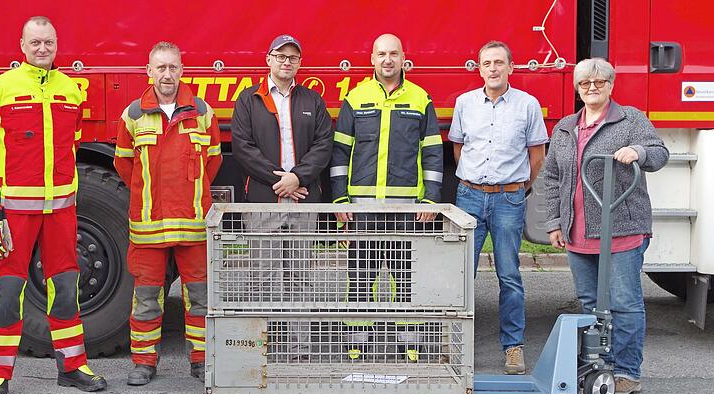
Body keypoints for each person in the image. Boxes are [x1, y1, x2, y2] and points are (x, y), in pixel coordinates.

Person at [0, 16, 106, 394]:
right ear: (22, 46)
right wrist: (2, 179)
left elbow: (74, 138)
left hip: (60, 210)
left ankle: (73, 367)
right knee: (8, 290)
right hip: (15, 211)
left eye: (48, 42)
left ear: (56, 44)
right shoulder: (1, 88)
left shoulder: (70, 90)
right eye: (35, 43)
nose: (42, 49)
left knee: (66, 288)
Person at [543, 57, 668, 394]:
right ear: (577, 88)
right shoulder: (566, 127)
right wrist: (555, 222)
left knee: (625, 303)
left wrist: (637, 151)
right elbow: (552, 177)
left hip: (622, 229)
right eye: (585, 83)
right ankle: (602, 365)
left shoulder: (630, 119)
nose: (592, 87)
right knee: (589, 302)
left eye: (599, 82)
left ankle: (627, 371)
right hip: (578, 231)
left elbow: (659, 153)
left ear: (611, 86)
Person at [330, 33, 443, 360]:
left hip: (406, 210)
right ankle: (357, 343)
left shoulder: (421, 99)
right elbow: (340, 154)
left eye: (394, 53)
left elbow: (433, 153)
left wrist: (431, 199)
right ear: (372, 59)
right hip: (361, 209)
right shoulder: (355, 98)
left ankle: (409, 342)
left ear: (403, 57)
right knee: (361, 279)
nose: (388, 60)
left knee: (405, 279)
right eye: (381, 54)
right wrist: (339, 201)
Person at [114, 41, 222, 384]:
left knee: (200, 296)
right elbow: (124, 165)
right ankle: (144, 362)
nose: (167, 74)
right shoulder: (133, 115)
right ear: (149, 72)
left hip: (192, 223)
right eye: (160, 68)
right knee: (146, 297)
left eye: (173, 67)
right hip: (148, 226)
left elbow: (213, 163)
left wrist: (191, 197)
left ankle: (201, 359)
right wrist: (148, 196)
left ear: (182, 69)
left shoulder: (203, 113)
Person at [449, 40, 548, 375]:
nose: (492, 68)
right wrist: (476, 183)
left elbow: (538, 156)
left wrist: (518, 188)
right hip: (470, 197)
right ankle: (456, 346)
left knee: (510, 275)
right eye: (486, 63)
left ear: (511, 67)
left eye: (499, 62)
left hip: (509, 198)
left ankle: (513, 348)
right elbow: (459, 150)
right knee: (463, 275)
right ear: (479, 68)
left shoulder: (527, 105)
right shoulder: (464, 103)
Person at [231, 35, 332, 360]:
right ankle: (262, 353)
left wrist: (298, 178)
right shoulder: (249, 100)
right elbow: (242, 148)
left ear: (299, 63)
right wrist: (281, 181)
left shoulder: (312, 101)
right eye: (280, 56)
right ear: (268, 59)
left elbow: (323, 145)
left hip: (303, 201)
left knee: (301, 279)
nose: (286, 62)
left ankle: (299, 352)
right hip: (265, 201)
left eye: (292, 57)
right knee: (263, 279)